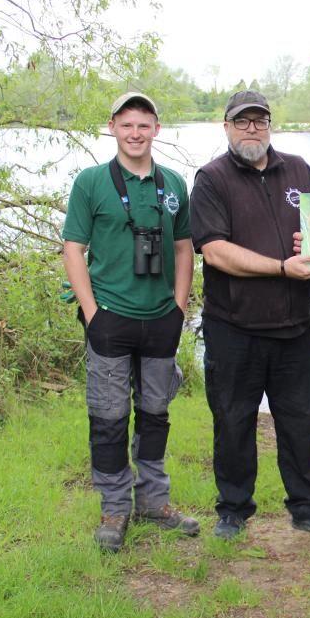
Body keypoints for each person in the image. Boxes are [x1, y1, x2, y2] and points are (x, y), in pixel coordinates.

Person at [190, 90, 310, 542]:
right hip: (234, 328)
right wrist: (281, 267)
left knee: (300, 421)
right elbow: (216, 252)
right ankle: (234, 509)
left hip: (295, 327)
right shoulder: (212, 179)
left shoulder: (298, 169)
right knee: (233, 421)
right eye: (242, 122)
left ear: (270, 125)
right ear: (227, 128)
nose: (251, 128)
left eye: (259, 120)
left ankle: (308, 508)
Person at [62, 92, 198, 553]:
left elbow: (184, 249)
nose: (135, 133)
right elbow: (73, 248)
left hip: (161, 318)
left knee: (156, 415)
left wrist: (179, 307)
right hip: (110, 319)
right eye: (126, 125)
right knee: (108, 418)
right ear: (112, 128)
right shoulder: (92, 182)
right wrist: (91, 311)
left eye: (144, 125)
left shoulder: (174, 183)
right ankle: (114, 508)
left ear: (156, 129)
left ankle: (154, 503)